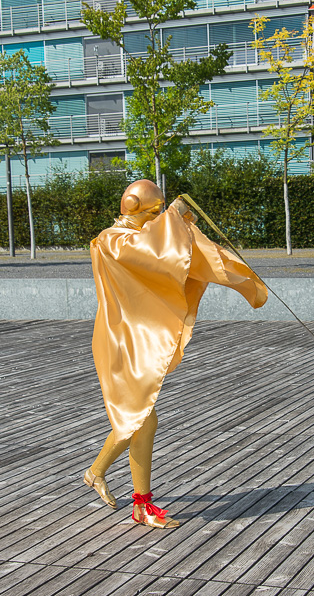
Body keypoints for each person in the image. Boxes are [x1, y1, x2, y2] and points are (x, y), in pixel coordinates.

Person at [84, 179, 268, 528]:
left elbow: (166, 254)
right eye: (154, 212)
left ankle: (105, 479)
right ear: (136, 208)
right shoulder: (111, 239)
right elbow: (148, 250)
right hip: (120, 338)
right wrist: (173, 218)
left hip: (135, 336)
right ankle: (131, 498)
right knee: (139, 416)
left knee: (141, 416)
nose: (158, 218)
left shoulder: (132, 236)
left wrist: (182, 229)